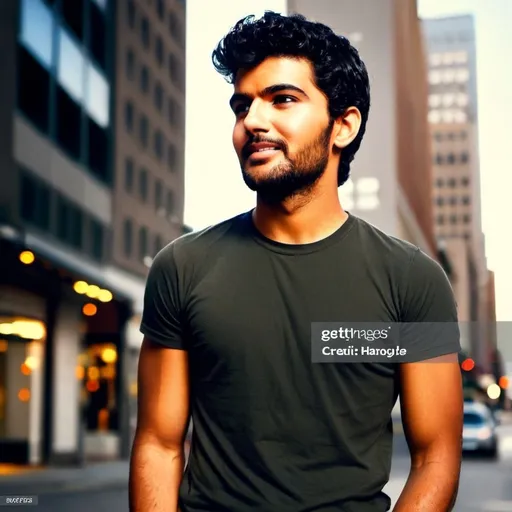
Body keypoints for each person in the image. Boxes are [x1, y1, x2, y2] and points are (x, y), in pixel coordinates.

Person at [129, 11, 463, 512]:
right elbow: (157, 443)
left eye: (282, 99)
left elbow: (436, 455)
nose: (252, 123)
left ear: (343, 126)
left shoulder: (415, 281)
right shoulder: (181, 267)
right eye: (242, 106)